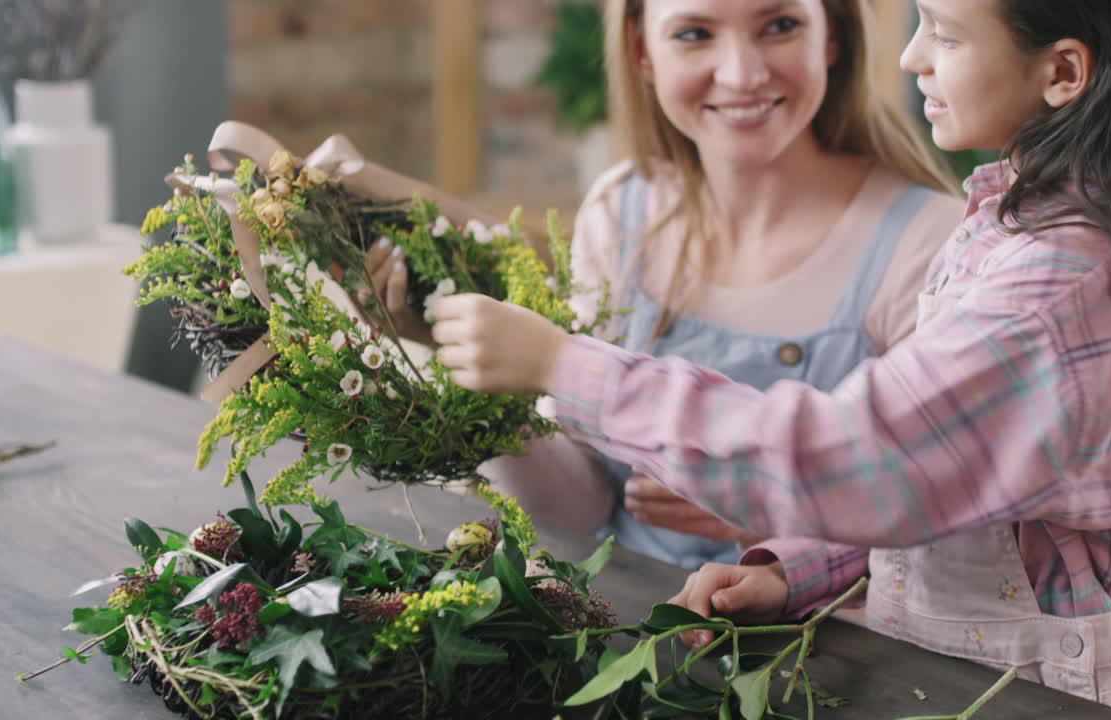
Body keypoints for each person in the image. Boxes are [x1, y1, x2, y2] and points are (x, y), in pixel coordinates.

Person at [425, 0, 1111, 716]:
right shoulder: (1006, 224)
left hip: (1021, 694)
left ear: (1063, 71)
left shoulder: (1051, 287)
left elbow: (858, 459)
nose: (911, 56)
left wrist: (567, 367)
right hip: (937, 666)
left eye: (945, 33)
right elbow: (945, 482)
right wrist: (801, 570)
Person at [361, 0, 962, 569]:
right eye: (695, 34)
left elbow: (953, 541)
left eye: (778, 25)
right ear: (641, 50)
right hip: (626, 623)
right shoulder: (623, 211)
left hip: (833, 655)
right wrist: (475, 367)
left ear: (832, 33)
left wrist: (769, 522)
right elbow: (580, 512)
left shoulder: (932, 242)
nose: (743, 73)